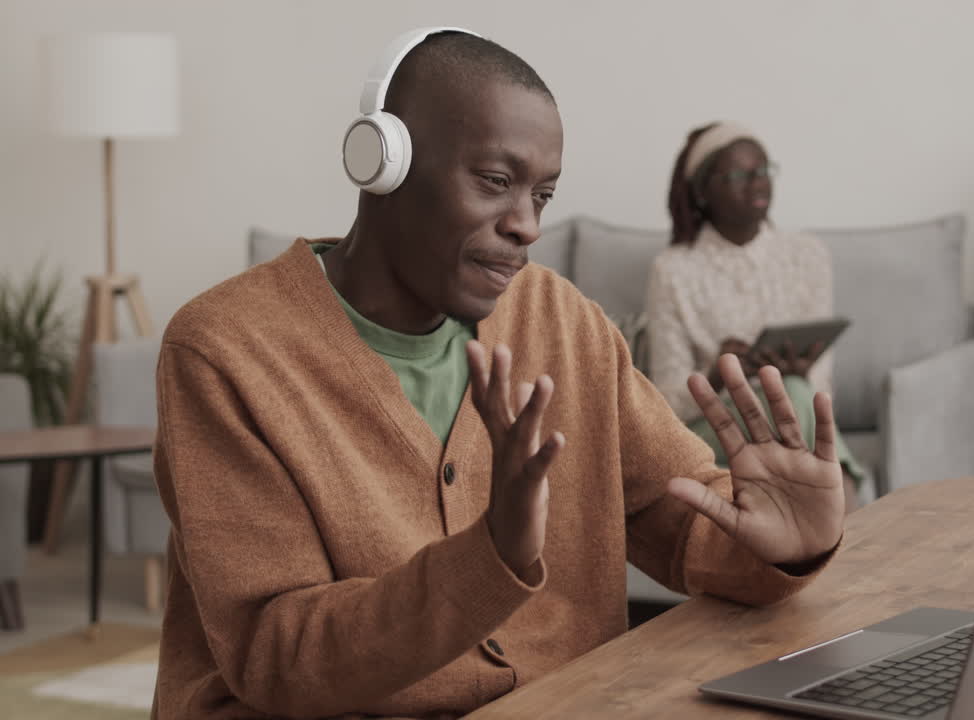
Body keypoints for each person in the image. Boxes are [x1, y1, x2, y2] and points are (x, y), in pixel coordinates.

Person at [150, 28, 845, 719]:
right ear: (382, 163)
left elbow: (674, 511)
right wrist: (489, 558)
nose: (527, 226)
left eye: (542, 195)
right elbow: (276, 656)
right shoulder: (226, 349)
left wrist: (778, 543)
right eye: (496, 182)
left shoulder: (560, 320)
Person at [646, 122, 866, 510]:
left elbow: (822, 388)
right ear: (703, 192)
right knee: (793, 399)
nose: (758, 182)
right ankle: (845, 503)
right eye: (739, 175)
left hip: (796, 413)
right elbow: (665, 405)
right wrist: (717, 374)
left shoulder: (808, 255)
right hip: (715, 427)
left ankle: (813, 511)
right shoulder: (673, 271)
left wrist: (801, 374)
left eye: (763, 170)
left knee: (794, 392)